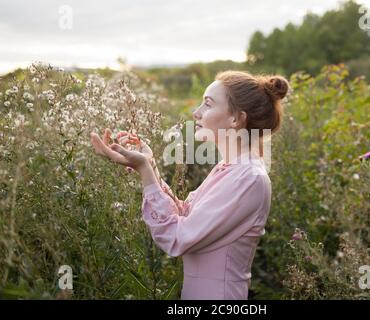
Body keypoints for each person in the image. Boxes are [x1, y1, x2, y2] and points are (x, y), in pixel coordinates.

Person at [90, 70, 289, 299]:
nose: (196, 113)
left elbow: (177, 237)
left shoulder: (249, 178)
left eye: (207, 104)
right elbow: (186, 214)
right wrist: (150, 165)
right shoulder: (231, 169)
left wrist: (145, 169)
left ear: (236, 119)